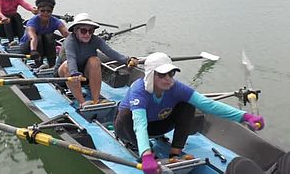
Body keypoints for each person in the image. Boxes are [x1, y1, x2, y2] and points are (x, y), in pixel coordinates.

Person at [114, 52, 265, 174]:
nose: (168, 79)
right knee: (127, 114)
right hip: (128, 130)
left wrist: (244, 117)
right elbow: (140, 124)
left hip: (158, 126)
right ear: (150, 75)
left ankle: (175, 152)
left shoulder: (176, 87)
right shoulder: (139, 90)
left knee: (188, 104)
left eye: (171, 74)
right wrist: (146, 155)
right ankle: (144, 151)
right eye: (162, 75)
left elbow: (208, 105)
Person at [55, 13, 138, 108]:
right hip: (65, 76)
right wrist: (74, 73)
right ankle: (82, 102)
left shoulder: (96, 40)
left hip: (83, 76)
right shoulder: (70, 41)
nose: (87, 34)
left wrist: (127, 60)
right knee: (67, 65)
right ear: (75, 30)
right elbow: (71, 58)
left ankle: (96, 100)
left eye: (91, 31)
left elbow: (110, 52)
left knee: (95, 60)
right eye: (83, 31)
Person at [19, 0, 69, 67]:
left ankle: (52, 65)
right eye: (42, 11)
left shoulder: (55, 21)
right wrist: (33, 50)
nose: (45, 13)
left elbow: (66, 33)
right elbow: (33, 38)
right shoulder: (32, 22)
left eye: (48, 11)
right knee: (38, 37)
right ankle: (39, 64)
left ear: (51, 12)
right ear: (38, 10)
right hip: (29, 47)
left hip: (44, 48)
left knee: (50, 36)